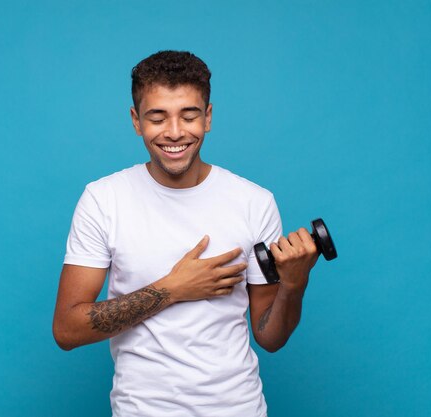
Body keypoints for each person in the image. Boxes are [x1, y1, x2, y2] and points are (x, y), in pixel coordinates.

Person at [52, 50, 319, 417]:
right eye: (157, 117)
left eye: (189, 116)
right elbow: (67, 330)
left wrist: (293, 285)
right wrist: (173, 289)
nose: (175, 132)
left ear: (207, 118)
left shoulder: (254, 201)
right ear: (136, 120)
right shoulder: (103, 199)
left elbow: (269, 337)